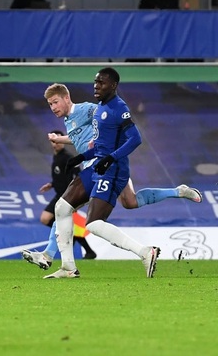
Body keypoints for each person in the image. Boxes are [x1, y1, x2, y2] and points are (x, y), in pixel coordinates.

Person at [23, 81, 202, 275]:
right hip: (108, 165)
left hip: (103, 164)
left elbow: (108, 118)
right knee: (130, 201)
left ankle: (56, 259)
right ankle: (178, 191)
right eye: (50, 104)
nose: (53, 108)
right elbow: (78, 136)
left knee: (67, 208)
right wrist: (61, 139)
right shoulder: (69, 120)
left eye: (55, 102)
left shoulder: (87, 109)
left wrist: (104, 139)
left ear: (66, 98)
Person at [38, 129, 97, 259]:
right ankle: (87, 250)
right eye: (54, 141)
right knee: (58, 222)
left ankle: (69, 238)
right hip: (59, 193)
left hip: (67, 195)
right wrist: (51, 184)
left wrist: (76, 195)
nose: (56, 144)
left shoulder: (67, 157)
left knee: (46, 218)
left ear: (63, 142)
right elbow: (62, 176)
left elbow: (76, 175)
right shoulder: (56, 157)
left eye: (59, 140)